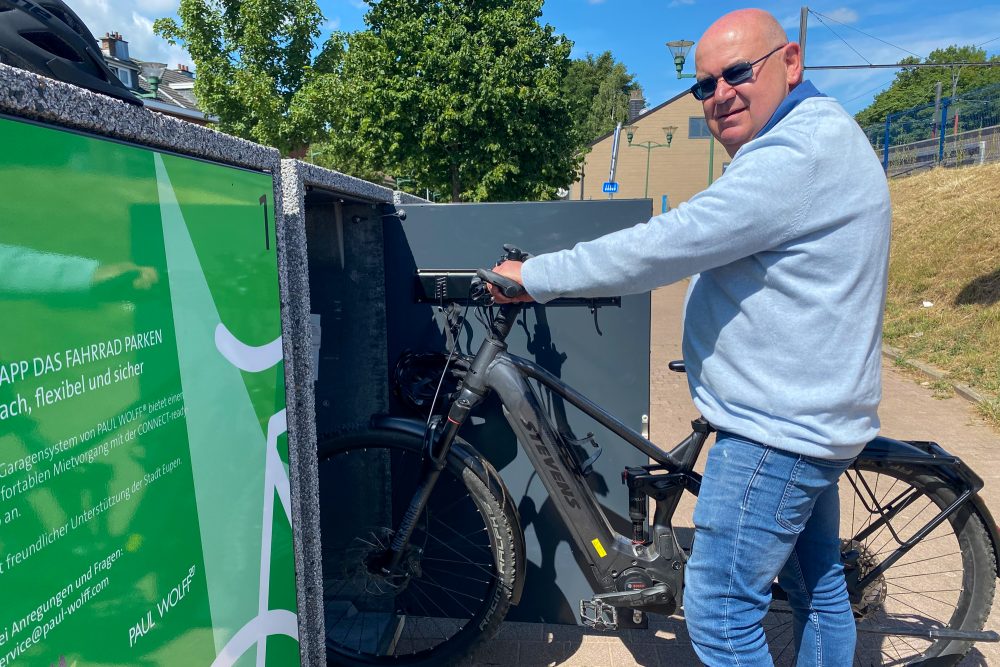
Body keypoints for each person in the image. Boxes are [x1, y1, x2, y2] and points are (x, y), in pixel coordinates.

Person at [489, 8, 891, 665]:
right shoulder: (822, 135)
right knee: (819, 593)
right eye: (705, 85)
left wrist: (535, 276)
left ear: (791, 63)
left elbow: (666, 244)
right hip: (809, 418)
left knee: (722, 618)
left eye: (737, 73)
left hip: (773, 432)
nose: (719, 94)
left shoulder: (794, 156)